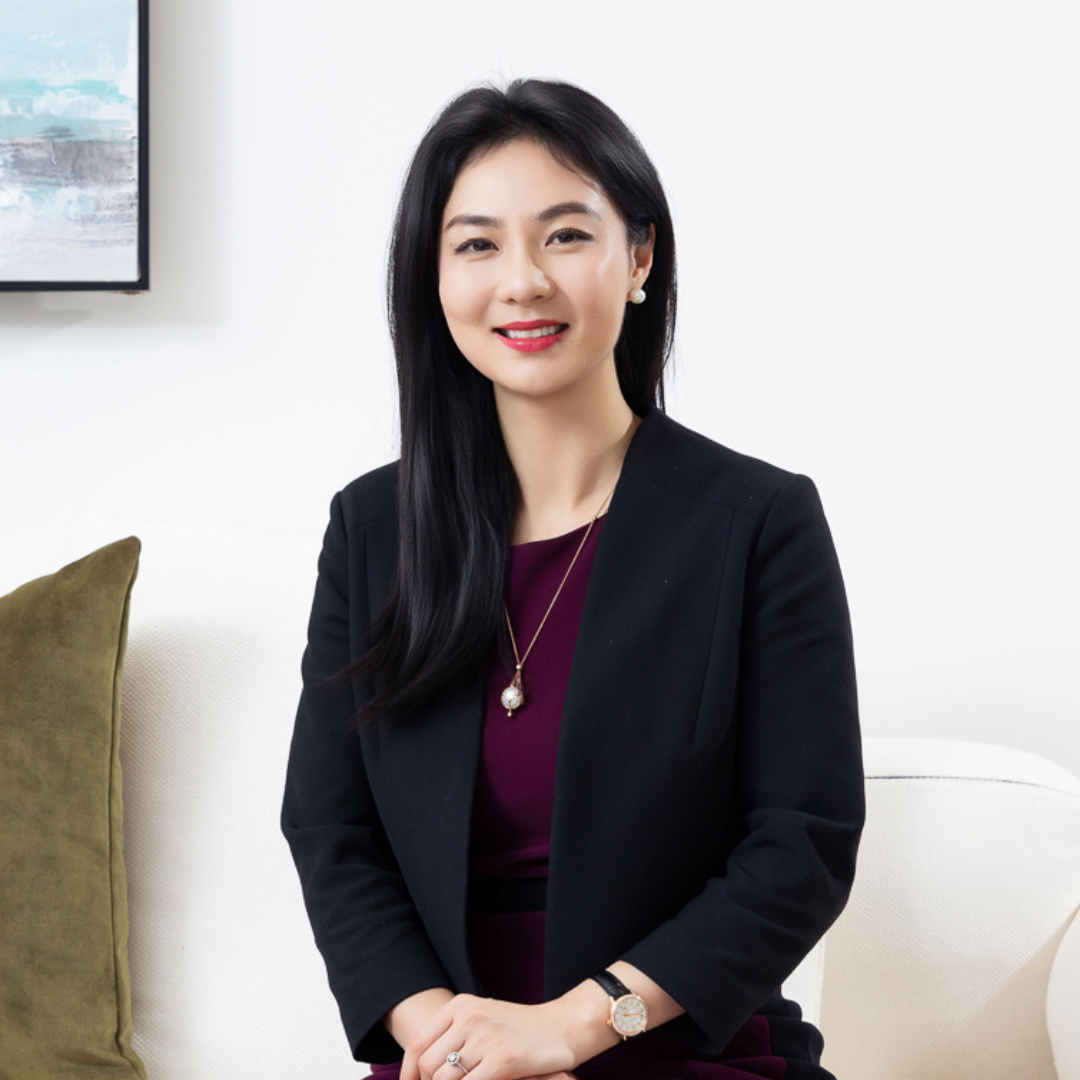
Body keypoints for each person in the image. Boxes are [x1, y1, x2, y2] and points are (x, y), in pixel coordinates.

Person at [280, 77, 865, 1080]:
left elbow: (801, 845)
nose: (522, 282)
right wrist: (451, 1044)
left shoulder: (757, 523)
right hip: (448, 1056)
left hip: (679, 1042)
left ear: (638, 258)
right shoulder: (372, 530)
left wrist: (571, 1029)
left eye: (563, 236)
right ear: (432, 278)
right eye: (476, 245)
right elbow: (332, 830)